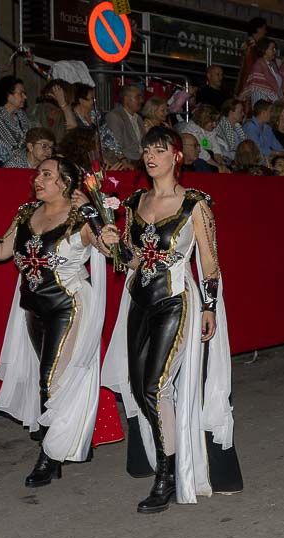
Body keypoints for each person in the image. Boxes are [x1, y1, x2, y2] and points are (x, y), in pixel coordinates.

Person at [100, 126, 242, 512]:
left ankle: (166, 474)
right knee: (137, 384)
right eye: (146, 150)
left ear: (176, 156)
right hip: (140, 302)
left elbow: (209, 264)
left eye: (159, 150)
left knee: (155, 386)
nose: (150, 156)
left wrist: (210, 307)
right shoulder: (134, 202)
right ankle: (170, 452)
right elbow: (131, 260)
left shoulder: (194, 204)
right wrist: (111, 244)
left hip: (177, 301)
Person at [0, 156, 107, 487]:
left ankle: (49, 455)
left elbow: (111, 249)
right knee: (47, 379)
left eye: (47, 174)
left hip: (66, 307)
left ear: (65, 182)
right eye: (37, 174)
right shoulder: (26, 213)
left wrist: (97, 215)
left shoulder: (79, 218)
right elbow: (0, 251)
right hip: (32, 308)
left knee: (50, 378)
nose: (37, 179)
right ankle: (59, 444)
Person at [0, 75, 32, 167]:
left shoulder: (22, 116)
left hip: (23, 163)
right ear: (8, 95)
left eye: (25, 93)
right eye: (21, 93)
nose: (25, 97)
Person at [104, 85, 145, 162]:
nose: (141, 100)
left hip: (141, 160)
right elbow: (115, 147)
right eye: (138, 97)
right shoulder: (115, 116)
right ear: (126, 99)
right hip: (128, 161)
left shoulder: (138, 118)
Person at [243, 37, 283, 106]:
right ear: (264, 50)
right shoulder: (259, 65)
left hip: (274, 101)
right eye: (272, 49)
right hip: (261, 99)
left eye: (275, 49)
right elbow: (255, 85)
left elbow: (279, 85)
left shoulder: (273, 65)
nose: (275, 51)